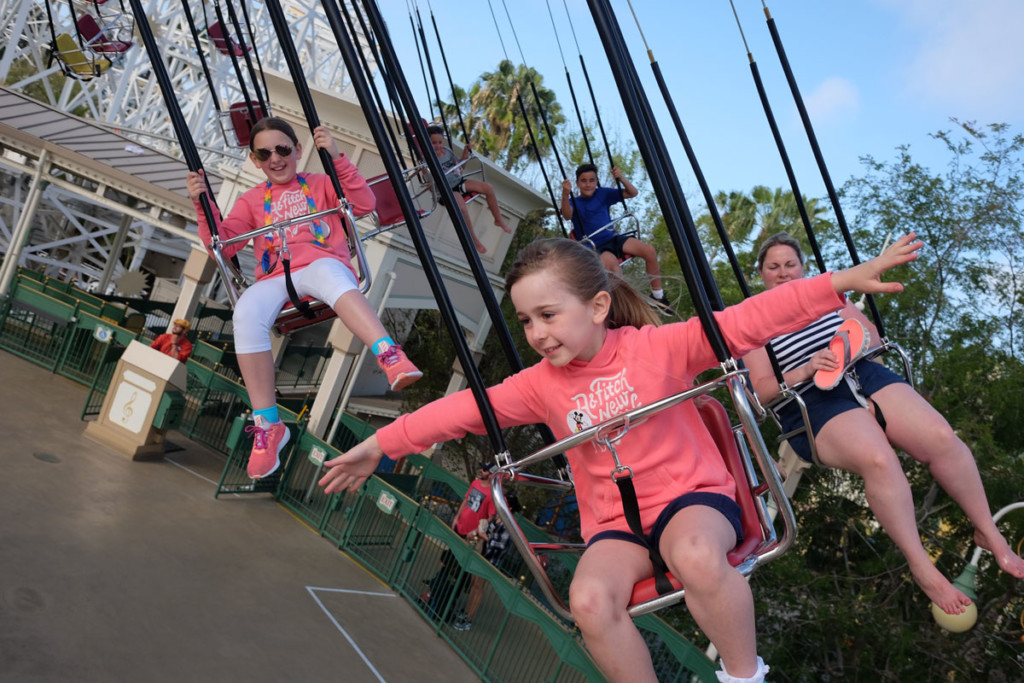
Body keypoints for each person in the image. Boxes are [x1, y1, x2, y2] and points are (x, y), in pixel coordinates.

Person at [319, 234, 923, 683]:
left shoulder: (660, 348)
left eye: (548, 315)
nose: (537, 333)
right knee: (587, 600)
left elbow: (747, 321)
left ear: (598, 307)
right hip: (617, 527)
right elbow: (460, 412)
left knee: (693, 554)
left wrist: (840, 282)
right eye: (526, 321)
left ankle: (744, 676)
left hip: (694, 500)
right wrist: (378, 445)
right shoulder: (538, 385)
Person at [744, 231, 1024, 617]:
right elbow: (760, 391)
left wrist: (846, 346)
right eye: (773, 266)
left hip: (860, 372)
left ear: (802, 267)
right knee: (878, 458)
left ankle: (988, 532)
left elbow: (871, 337)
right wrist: (806, 368)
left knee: (941, 436)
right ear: (761, 273)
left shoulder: (825, 293)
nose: (783, 272)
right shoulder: (752, 319)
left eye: (790, 264)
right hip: (809, 401)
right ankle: (921, 566)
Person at [186, 116, 422, 480]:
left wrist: (338, 158)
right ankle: (268, 425)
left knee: (329, 274)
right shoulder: (252, 201)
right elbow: (224, 245)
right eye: (264, 154)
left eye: (282, 149)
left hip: (319, 263)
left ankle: (388, 352)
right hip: (275, 277)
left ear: (298, 150)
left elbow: (363, 204)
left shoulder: (322, 183)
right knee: (245, 311)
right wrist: (202, 205)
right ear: (255, 161)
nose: (275, 159)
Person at [560, 163, 672, 314]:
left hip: (613, 238)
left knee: (649, 250)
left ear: (596, 181)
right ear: (577, 183)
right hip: (595, 246)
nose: (588, 184)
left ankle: (658, 296)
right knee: (614, 269)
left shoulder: (603, 193)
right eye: (584, 181)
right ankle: (624, 309)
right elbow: (567, 215)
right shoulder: (574, 202)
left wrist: (621, 178)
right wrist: (565, 194)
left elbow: (632, 193)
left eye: (592, 180)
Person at [427, 125, 512, 255]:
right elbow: (428, 182)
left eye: (439, 142)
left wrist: (465, 155)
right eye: (434, 143)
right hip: (445, 192)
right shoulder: (427, 160)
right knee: (461, 206)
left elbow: (460, 168)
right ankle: (474, 240)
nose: (438, 146)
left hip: (458, 182)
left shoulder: (447, 151)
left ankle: (498, 219)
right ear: (427, 143)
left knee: (488, 187)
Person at [450, 461, 498, 631]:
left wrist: (477, 532)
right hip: (462, 529)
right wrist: (457, 517)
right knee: (453, 562)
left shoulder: (493, 495)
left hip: (475, 538)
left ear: (491, 474)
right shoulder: (475, 483)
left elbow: (490, 518)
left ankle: (468, 616)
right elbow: (466, 500)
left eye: (485, 469)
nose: (481, 471)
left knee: (476, 581)